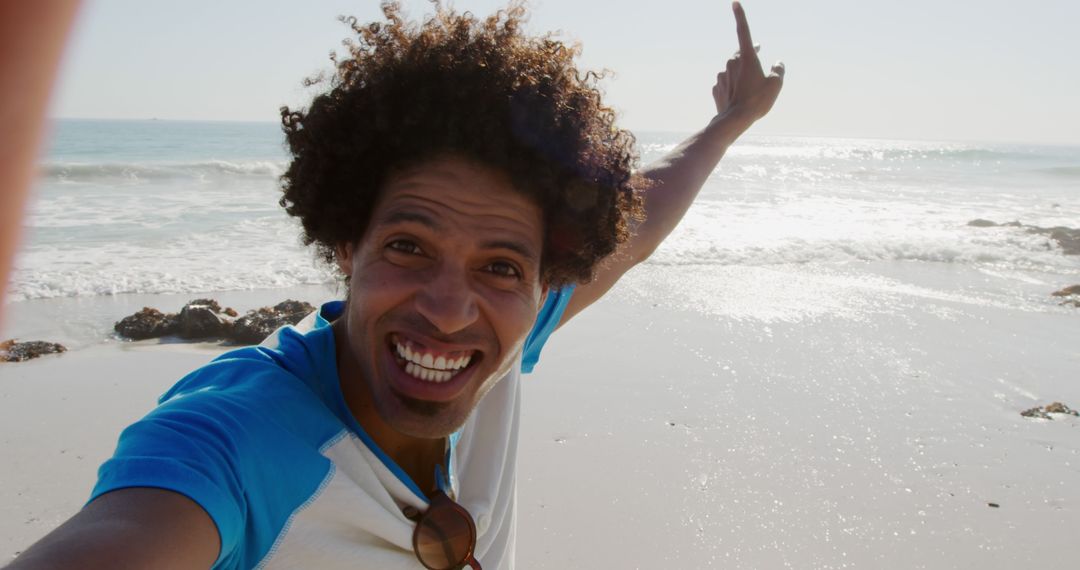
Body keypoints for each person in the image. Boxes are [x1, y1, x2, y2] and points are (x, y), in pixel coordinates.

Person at [8, 1, 782, 568]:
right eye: (410, 247)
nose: (449, 311)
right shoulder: (236, 446)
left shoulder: (508, 341)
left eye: (501, 265)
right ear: (348, 243)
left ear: (548, 276)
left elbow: (641, 218)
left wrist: (727, 124)